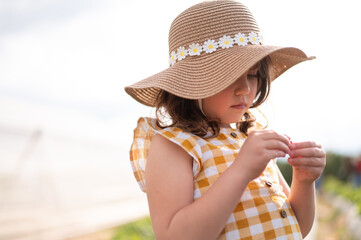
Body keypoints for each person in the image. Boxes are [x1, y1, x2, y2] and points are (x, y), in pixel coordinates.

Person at [125, 1, 326, 239]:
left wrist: (303, 181)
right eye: (227, 76)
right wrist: (241, 170)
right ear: (190, 82)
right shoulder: (175, 144)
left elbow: (296, 228)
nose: (244, 89)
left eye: (253, 75)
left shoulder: (249, 137)